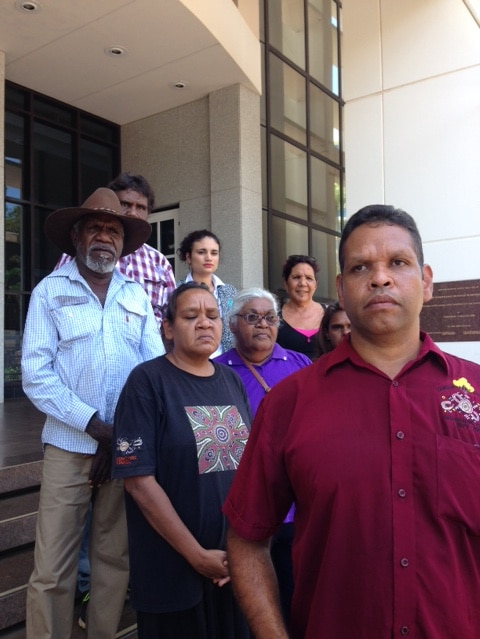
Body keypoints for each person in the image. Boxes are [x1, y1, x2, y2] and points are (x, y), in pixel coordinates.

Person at [223, 204, 480, 639]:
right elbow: (247, 538)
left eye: (398, 262)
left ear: (427, 281)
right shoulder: (291, 401)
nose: (380, 277)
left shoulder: (473, 390)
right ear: (341, 291)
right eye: (362, 267)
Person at [21, 187, 165, 639]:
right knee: (52, 569)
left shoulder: (136, 295)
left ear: (123, 243)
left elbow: (152, 370)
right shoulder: (50, 291)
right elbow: (36, 374)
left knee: (112, 559)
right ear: (78, 236)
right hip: (69, 446)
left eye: (113, 230)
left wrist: (119, 437)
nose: (104, 237)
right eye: (96, 227)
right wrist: (96, 427)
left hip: (123, 451)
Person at [112, 282, 251, 639]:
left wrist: (240, 548)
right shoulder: (146, 383)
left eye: (212, 316)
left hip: (231, 566)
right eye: (191, 316)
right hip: (173, 571)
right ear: (169, 328)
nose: (204, 323)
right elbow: (139, 482)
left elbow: (246, 470)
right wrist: (196, 555)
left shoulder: (232, 381)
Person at [215, 287, 310, 624]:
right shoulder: (216, 371)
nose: (262, 325)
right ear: (233, 324)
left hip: (296, 504)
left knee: (294, 593)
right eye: (251, 317)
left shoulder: (301, 364)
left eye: (269, 318)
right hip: (243, 502)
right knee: (246, 602)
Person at [57, 172, 176, 327]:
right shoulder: (78, 252)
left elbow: (172, 318)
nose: (133, 212)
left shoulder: (159, 262)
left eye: (140, 207)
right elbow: (56, 300)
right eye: (125, 204)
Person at [177, 230, 237, 356]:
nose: (209, 257)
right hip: (187, 362)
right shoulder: (175, 290)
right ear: (188, 257)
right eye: (201, 252)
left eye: (214, 253)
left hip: (225, 364)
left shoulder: (230, 292)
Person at [276, 255, 325, 360]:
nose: (303, 283)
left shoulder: (329, 315)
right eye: (296, 277)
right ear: (285, 283)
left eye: (309, 278)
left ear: (316, 285)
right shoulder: (273, 317)